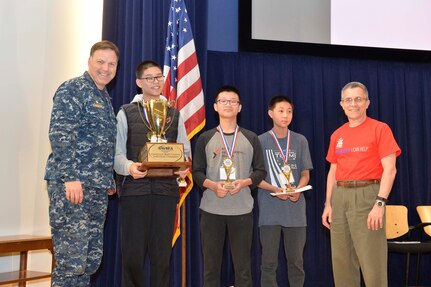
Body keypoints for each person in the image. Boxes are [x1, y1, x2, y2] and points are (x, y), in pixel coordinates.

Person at [44, 40, 119, 287]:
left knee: (89, 260)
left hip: (95, 189)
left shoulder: (103, 96)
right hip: (73, 186)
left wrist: (107, 180)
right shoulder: (73, 89)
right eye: (100, 61)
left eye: (112, 63)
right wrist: (70, 177)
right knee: (71, 260)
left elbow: (102, 142)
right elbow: (61, 134)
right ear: (89, 62)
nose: (106, 68)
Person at [114, 60, 190, 287]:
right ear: (139, 83)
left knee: (162, 258)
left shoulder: (175, 114)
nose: (156, 82)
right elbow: (116, 155)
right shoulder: (125, 113)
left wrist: (183, 167)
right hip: (134, 192)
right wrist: (130, 167)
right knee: (133, 257)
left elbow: (185, 151)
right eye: (150, 78)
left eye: (159, 77)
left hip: (166, 192)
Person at [321, 81, 401, 287]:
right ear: (341, 104)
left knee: (372, 261)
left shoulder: (380, 129)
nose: (353, 104)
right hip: (340, 197)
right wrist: (328, 204)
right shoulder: (337, 135)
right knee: (342, 262)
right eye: (348, 100)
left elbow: (390, 170)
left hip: (368, 196)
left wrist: (380, 203)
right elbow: (333, 171)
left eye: (358, 99)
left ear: (367, 102)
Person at [193, 85, 267, 287]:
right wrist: (213, 186)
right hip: (211, 210)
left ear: (240, 107)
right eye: (223, 101)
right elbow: (197, 172)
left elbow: (261, 171)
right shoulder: (205, 138)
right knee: (211, 268)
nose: (228, 104)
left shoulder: (251, 138)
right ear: (215, 106)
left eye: (233, 101)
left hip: (242, 210)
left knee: (243, 269)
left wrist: (244, 183)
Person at [257, 96, 313, 287]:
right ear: (270, 113)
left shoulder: (300, 140)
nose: (286, 115)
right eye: (281, 111)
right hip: (270, 210)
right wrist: (275, 189)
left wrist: (298, 188)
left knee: (296, 263)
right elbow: (255, 177)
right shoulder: (260, 141)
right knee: (269, 264)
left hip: (295, 211)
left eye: (289, 111)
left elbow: (305, 172)